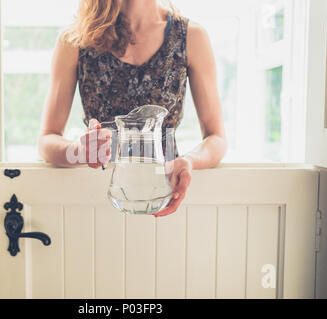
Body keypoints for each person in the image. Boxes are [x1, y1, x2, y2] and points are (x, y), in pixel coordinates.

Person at [38, 0, 227, 217]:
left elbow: (217, 139)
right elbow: (46, 141)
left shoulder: (191, 36)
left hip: (165, 199)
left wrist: (189, 161)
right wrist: (79, 152)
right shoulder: (75, 39)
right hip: (92, 204)